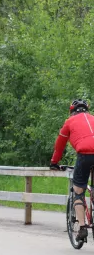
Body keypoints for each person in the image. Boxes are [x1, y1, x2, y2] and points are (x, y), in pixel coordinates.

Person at [50, 99, 94, 242]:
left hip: (85, 154)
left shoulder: (69, 122)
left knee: (78, 191)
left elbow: (60, 144)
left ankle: (82, 228)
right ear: (87, 110)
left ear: (72, 111)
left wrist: (54, 162)